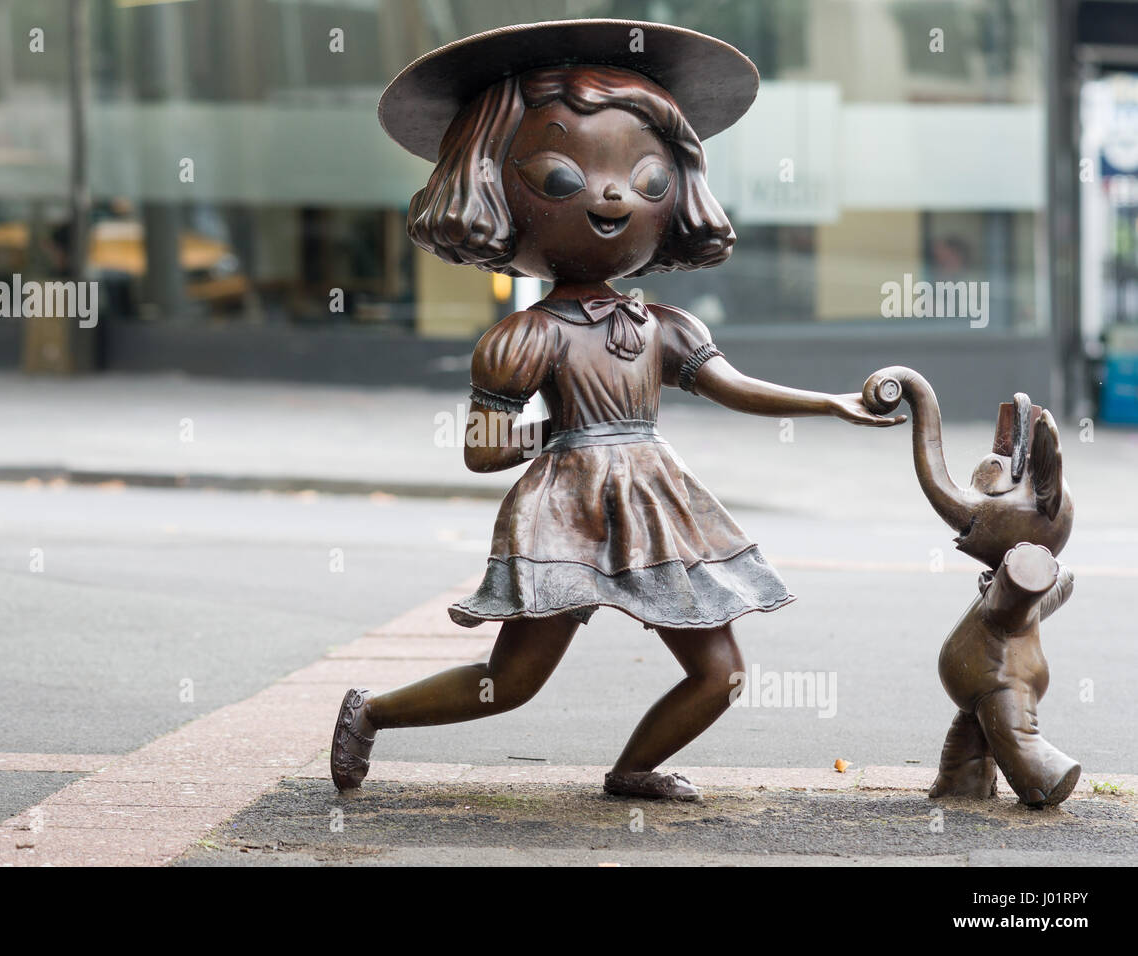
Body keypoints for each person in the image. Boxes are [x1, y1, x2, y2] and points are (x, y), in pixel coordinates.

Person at [332, 20, 905, 800]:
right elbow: (482, 450)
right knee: (514, 682)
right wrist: (563, 434)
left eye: (648, 180)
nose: (611, 194)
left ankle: (634, 770)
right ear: (493, 194)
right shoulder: (523, 338)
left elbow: (733, 386)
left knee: (722, 672)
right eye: (562, 178)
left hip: (656, 509)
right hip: (566, 512)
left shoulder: (664, 326)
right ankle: (371, 712)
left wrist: (830, 404)